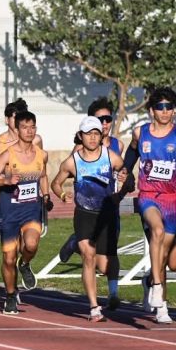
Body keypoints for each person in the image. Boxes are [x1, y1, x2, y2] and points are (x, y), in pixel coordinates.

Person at [121, 87, 176, 324]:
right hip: (148, 196)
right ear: (152, 111)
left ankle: (149, 280)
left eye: (169, 107)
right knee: (156, 232)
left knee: (171, 260)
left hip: (173, 199)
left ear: (174, 111)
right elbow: (132, 153)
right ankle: (160, 300)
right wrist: (126, 170)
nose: (165, 111)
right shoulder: (140, 133)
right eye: (160, 107)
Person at [51, 116, 124, 322]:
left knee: (104, 265)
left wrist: (123, 185)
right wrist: (62, 194)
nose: (92, 138)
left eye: (96, 134)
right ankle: (94, 307)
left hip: (106, 215)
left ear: (101, 136)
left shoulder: (111, 157)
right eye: (88, 134)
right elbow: (56, 183)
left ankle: (74, 243)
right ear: (80, 136)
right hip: (84, 214)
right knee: (88, 256)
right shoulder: (72, 162)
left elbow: (128, 177)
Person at [0, 110, 52, 315]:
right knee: (8, 257)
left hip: (31, 209)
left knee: (31, 244)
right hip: (9, 211)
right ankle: (10, 295)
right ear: (18, 129)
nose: (29, 131)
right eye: (25, 127)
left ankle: (25, 263)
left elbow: (43, 176)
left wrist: (46, 195)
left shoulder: (41, 154)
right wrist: (6, 180)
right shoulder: (7, 154)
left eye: (32, 127)